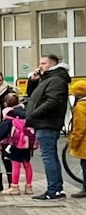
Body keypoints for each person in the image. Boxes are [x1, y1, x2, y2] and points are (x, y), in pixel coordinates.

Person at [27, 54, 71, 200]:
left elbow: (53, 101)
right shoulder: (48, 79)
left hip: (47, 123)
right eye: (40, 63)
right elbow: (33, 96)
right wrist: (33, 81)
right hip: (44, 122)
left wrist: (34, 113)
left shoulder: (56, 80)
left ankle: (53, 190)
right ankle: (56, 188)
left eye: (43, 63)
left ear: (52, 65)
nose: (40, 66)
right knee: (50, 155)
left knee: (48, 156)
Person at [0, 91, 35, 196]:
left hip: (15, 143)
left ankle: (15, 187)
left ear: (5, 104)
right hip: (27, 143)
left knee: (16, 165)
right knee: (27, 164)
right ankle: (29, 187)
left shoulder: (9, 114)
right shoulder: (25, 112)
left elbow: (3, 130)